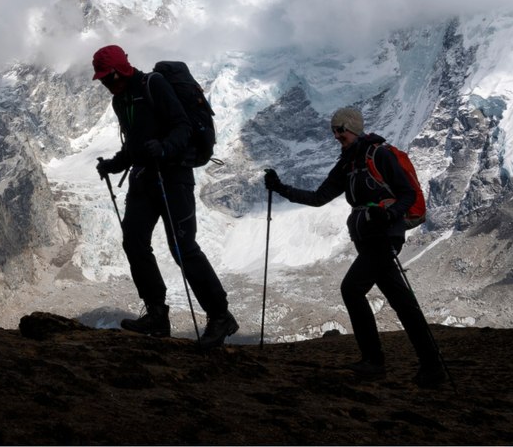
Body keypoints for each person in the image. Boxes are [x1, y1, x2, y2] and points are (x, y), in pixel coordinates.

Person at [263, 107, 448, 387]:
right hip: (367, 238)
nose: (337, 135)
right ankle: (430, 365)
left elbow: (407, 193)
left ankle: (375, 361)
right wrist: (280, 188)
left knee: (352, 289)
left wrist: (390, 214)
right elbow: (319, 197)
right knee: (401, 301)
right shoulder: (348, 163)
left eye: (341, 129)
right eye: (334, 130)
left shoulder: (379, 155)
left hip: (384, 236)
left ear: (354, 128)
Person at [92, 45, 238, 348]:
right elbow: (134, 144)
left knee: (182, 247)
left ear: (120, 70)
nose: (105, 83)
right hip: (145, 177)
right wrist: (115, 164)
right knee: (134, 241)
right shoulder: (122, 99)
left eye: (108, 77)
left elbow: (182, 126)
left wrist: (165, 148)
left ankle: (220, 316)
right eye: (103, 79)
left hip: (173, 176)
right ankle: (157, 315)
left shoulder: (153, 85)